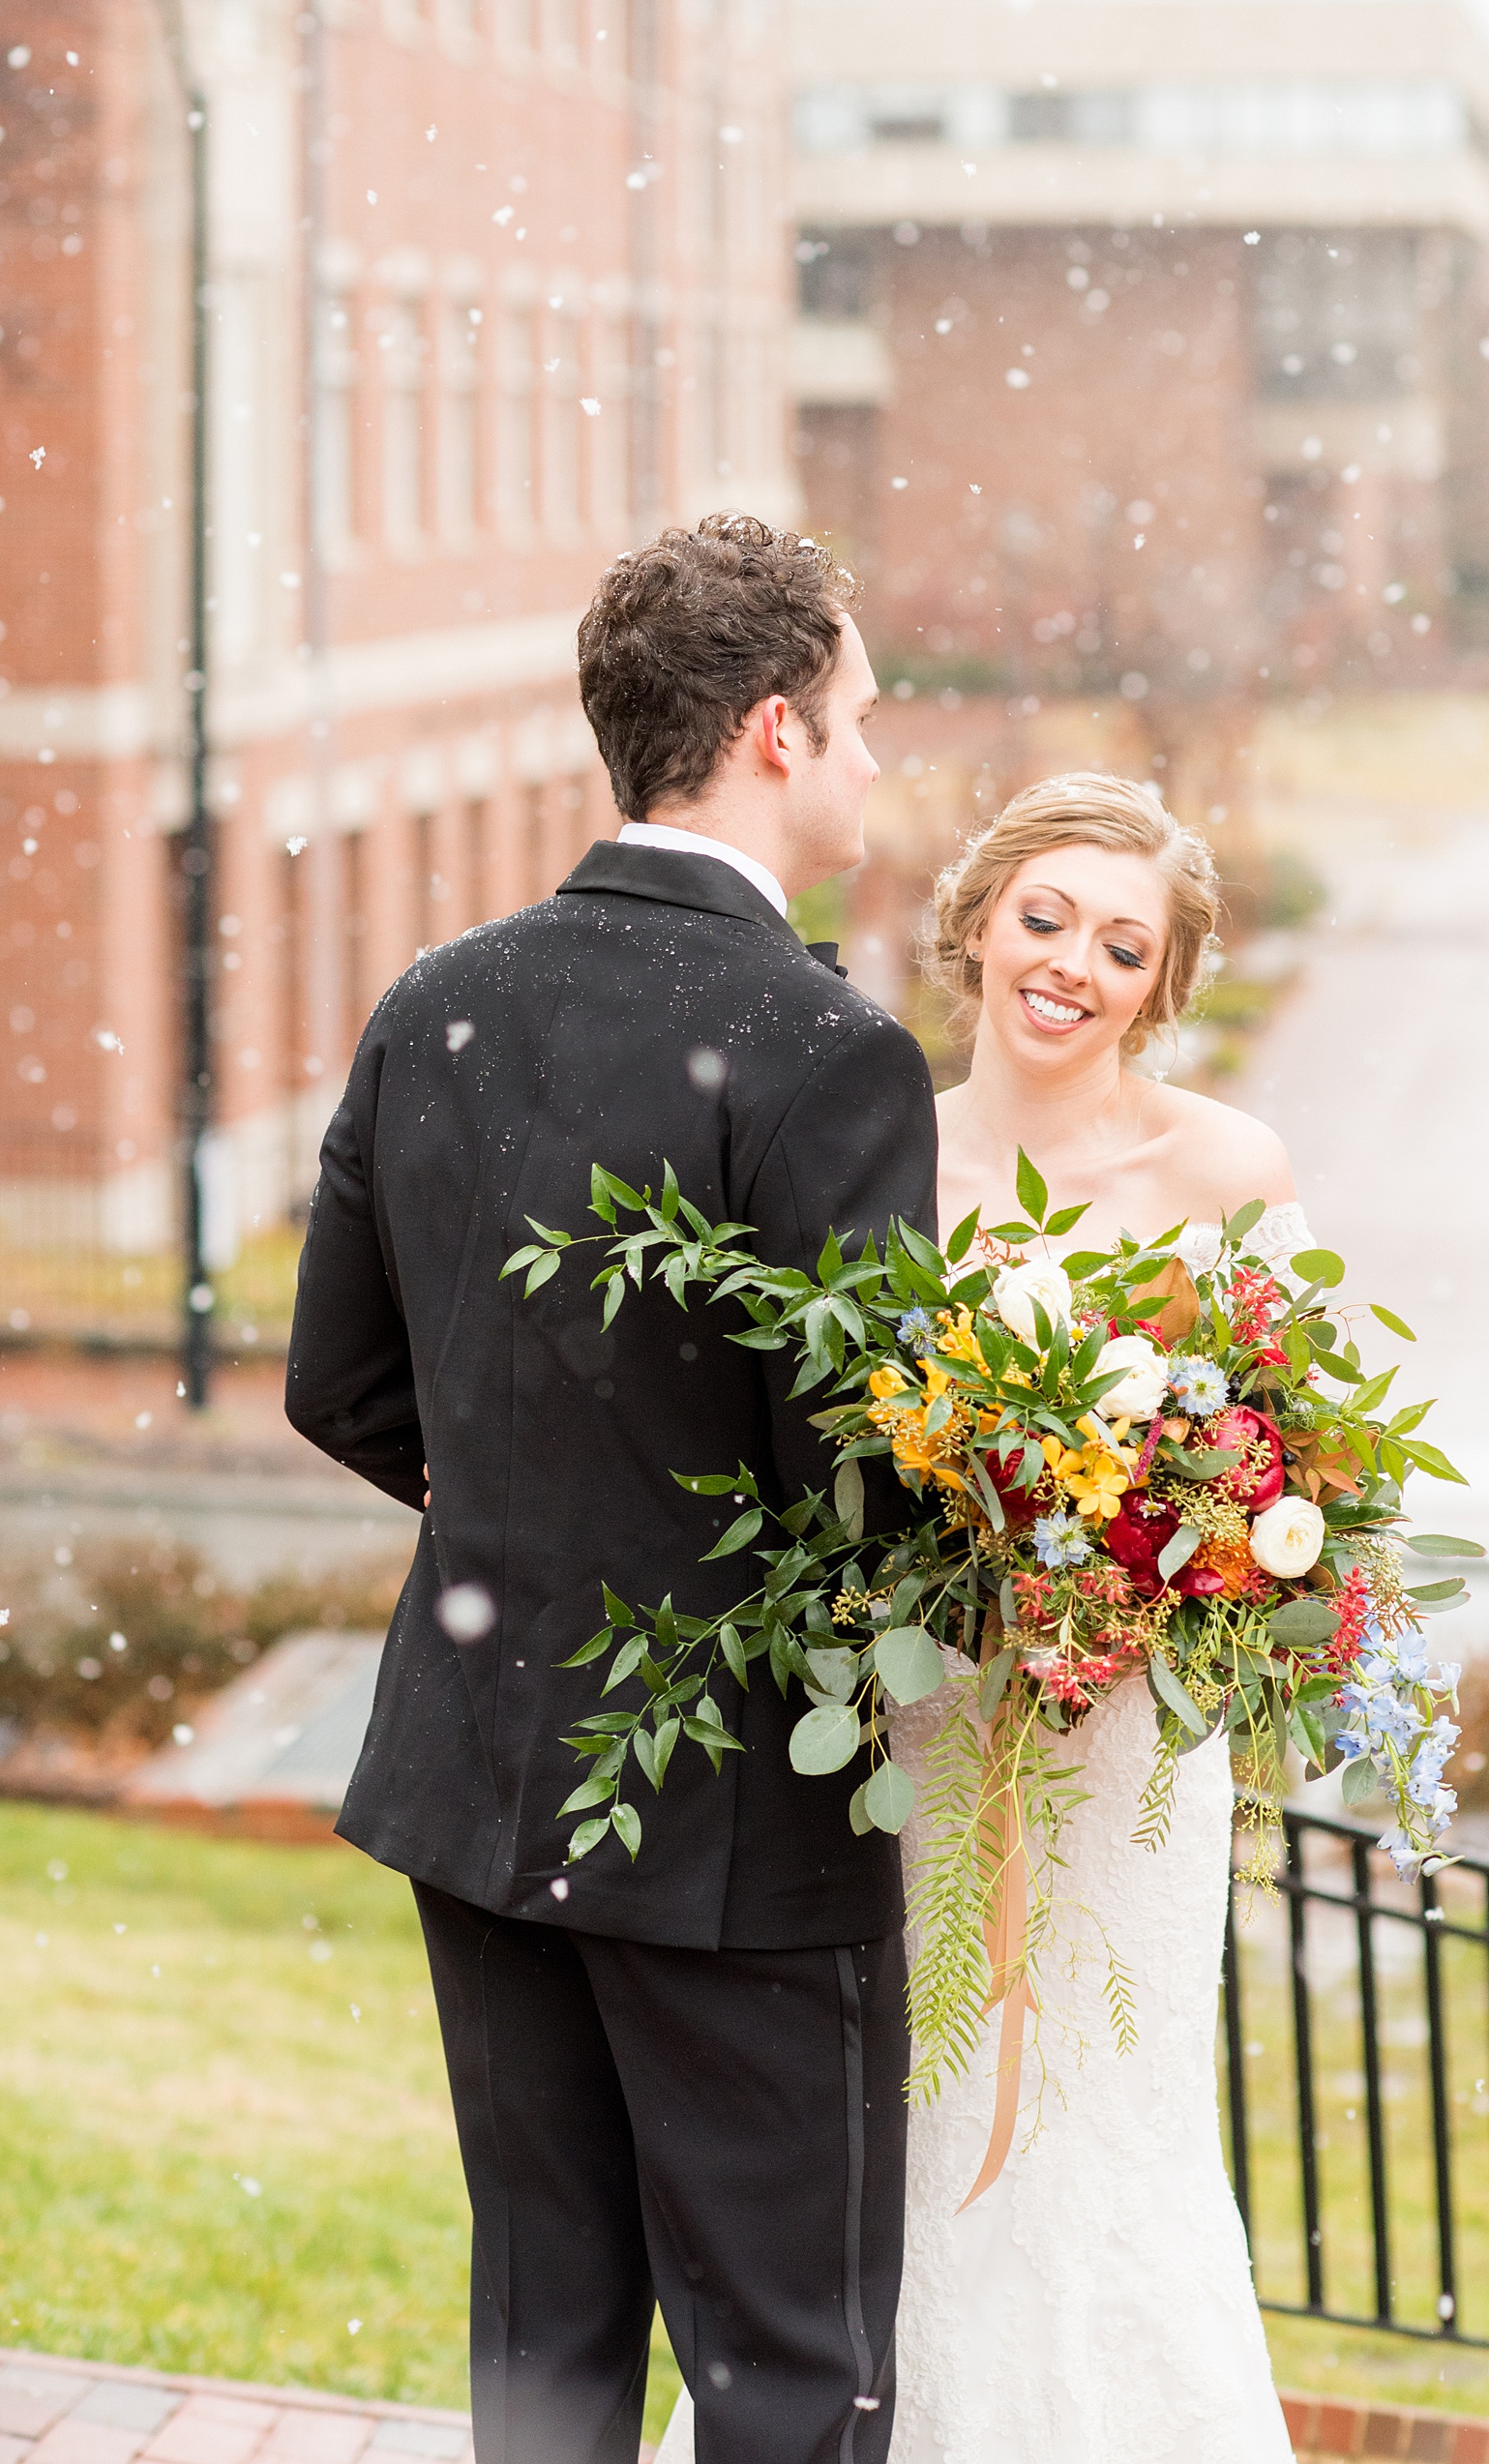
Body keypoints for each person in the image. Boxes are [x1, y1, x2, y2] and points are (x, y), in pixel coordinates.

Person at [284, 514, 938, 2464]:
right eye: (862, 718)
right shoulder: (827, 1048)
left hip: (479, 1772)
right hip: (733, 1812)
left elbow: (338, 1381)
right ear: (770, 732)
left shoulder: (435, 997)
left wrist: (547, 1525)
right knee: (788, 2361)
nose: (875, 758)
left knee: (547, 2337)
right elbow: (861, 1479)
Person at [657, 772, 1308, 2464]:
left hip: (1122, 1746)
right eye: (1047, 919)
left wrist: (1144, 1581)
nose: (1072, 966)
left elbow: (1289, 1482)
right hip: (924, 1723)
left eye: (1121, 944)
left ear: (1161, 986)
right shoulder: (881, 1150)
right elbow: (808, 1451)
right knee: (919, 2121)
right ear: (975, 923)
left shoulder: (1225, 1166)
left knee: (1117, 2121)